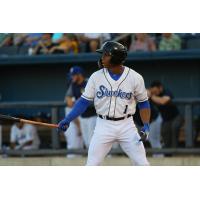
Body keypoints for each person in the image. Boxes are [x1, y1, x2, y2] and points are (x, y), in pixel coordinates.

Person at [58, 41, 151, 166]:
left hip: (127, 126)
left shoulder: (135, 77)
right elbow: (83, 102)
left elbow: (143, 103)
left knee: (142, 164)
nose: (102, 58)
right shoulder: (96, 77)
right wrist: (68, 119)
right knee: (91, 165)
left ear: (115, 57)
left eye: (105, 55)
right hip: (104, 125)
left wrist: (146, 125)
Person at [65, 66, 96, 149]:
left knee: (93, 142)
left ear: (79, 75)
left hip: (93, 116)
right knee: (87, 142)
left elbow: (89, 98)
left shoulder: (89, 82)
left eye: (74, 75)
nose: (72, 77)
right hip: (82, 117)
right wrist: (71, 100)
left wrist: (77, 101)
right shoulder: (73, 85)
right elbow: (68, 98)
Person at [149, 81, 184, 148]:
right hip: (165, 119)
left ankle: (175, 150)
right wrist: (148, 93)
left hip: (176, 116)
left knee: (174, 127)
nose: (155, 93)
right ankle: (168, 153)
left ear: (160, 88)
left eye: (156, 91)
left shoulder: (166, 91)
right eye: (153, 91)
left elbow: (163, 101)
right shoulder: (153, 95)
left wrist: (151, 96)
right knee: (164, 132)